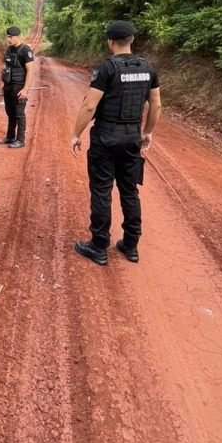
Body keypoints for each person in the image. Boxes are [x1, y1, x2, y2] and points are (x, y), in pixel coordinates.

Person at [69, 20, 161, 265]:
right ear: (131, 40)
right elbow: (156, 104)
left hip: (106, 138)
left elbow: (90, 105)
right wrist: (147, 132)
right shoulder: (148, 68)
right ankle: (130, 245)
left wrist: (76, 134)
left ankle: (99, 246)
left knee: (101, 191)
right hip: (132, 138)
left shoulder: (106, 69)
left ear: (110, 41)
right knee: (130, 191)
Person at [0, 25, 35, 149]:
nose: (8, 39)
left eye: (11, 37)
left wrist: (25, 89)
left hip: (19, 87)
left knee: (19, 114)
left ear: (17, 36)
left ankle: (20, 140)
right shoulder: (9, 49)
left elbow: (30, 70)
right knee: (10, 113)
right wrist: (4, 83)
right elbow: (7, 68)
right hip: (8, 86)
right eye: (7, 37)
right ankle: (10, 137)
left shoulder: (25, 50)